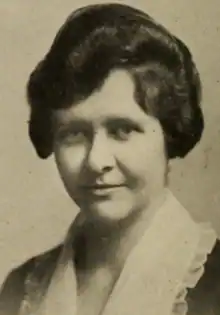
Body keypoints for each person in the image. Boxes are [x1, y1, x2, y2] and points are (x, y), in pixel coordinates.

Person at [0, 3, 219, 315]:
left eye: (122, 130)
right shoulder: (21, 291)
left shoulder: (213, 284)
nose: (96, 161)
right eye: (74, 134)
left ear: (169, 133)